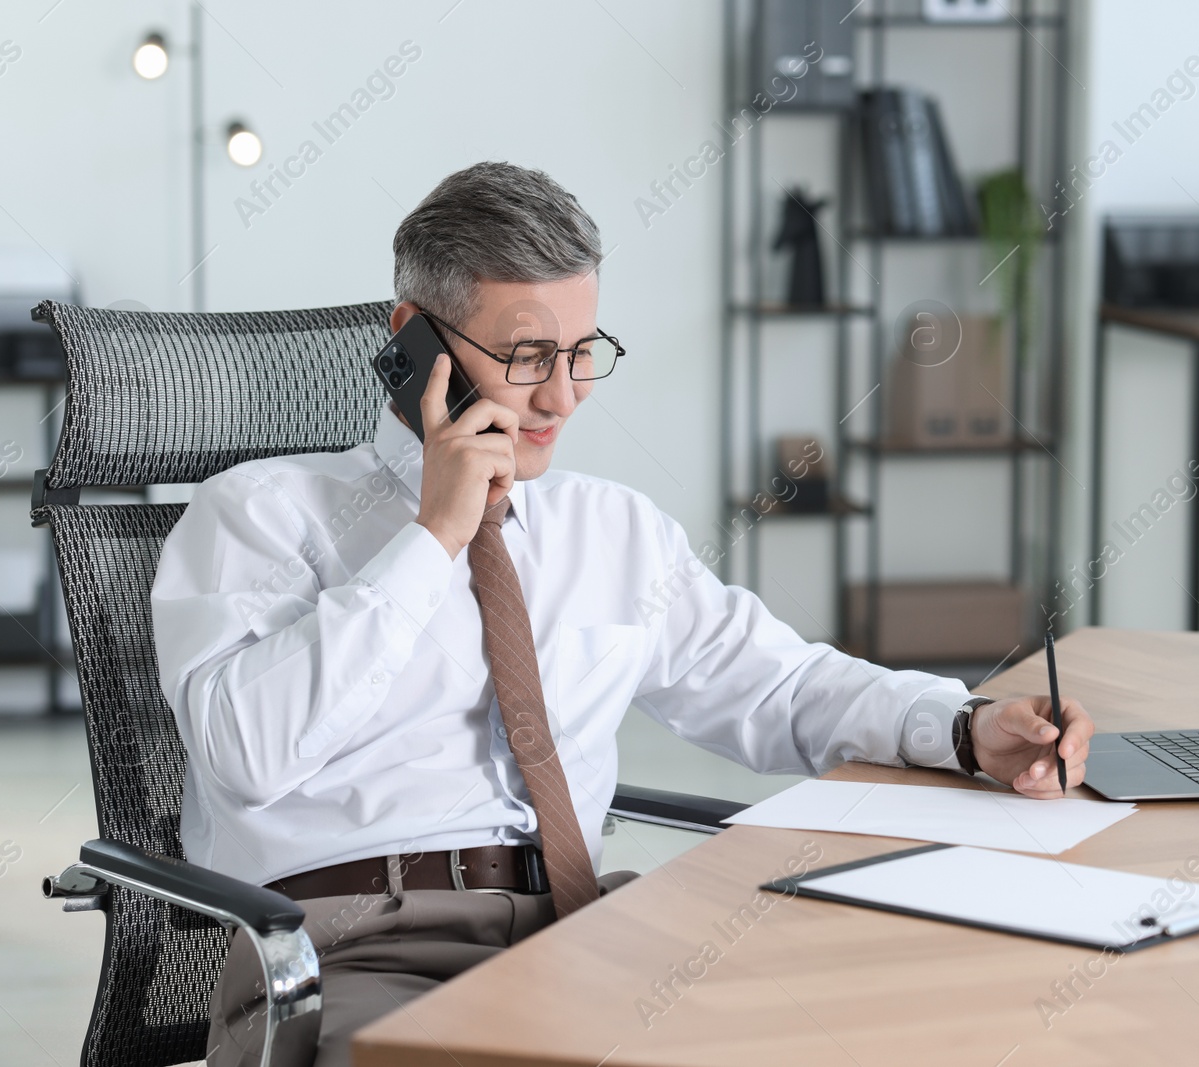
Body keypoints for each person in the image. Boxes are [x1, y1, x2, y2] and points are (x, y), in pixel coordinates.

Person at [150, 161, 1093, 1067]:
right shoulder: (259, 512)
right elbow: (246, 757)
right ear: (415, 340)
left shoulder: (613, 531)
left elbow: (783, 685)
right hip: (354, 952)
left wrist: (964, 730)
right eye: (526, 357)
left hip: (588, 927)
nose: (562, 397)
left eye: (581, 354)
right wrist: (432, 538)